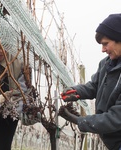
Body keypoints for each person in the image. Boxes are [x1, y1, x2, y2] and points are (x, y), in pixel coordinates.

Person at [59, 13, 121, 150]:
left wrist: (80, 121)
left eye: (106, 44)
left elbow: (117, 118)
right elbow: (94, 86)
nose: (103, 49)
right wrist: (75, 92)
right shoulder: (106, 64)